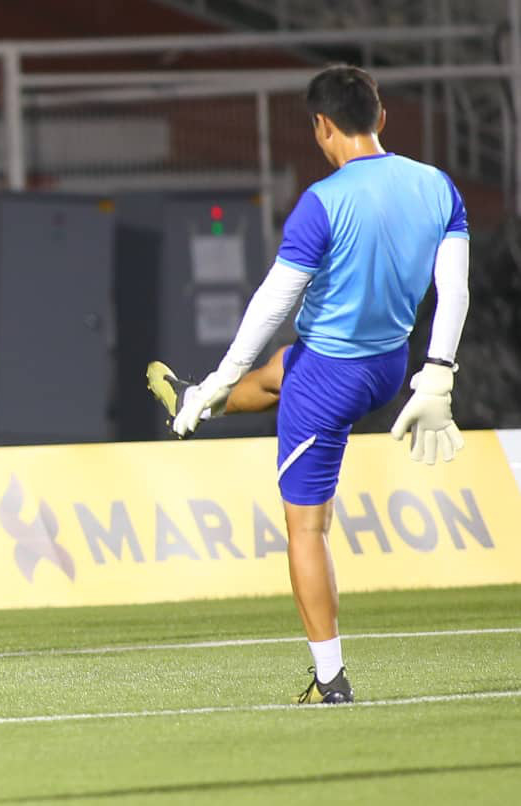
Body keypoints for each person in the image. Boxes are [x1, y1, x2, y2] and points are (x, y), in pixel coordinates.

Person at [148, 64, 469, 706]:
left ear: (322, 127)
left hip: (328, 379)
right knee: (279, 372)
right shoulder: (437, 186)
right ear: (380, 118)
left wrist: (222, 373)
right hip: (390, 366)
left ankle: (331, 681)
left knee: (306, 529)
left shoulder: (323, 202)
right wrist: (438, 375)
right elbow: (454, 288)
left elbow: (272, 302)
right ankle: (194, 401)